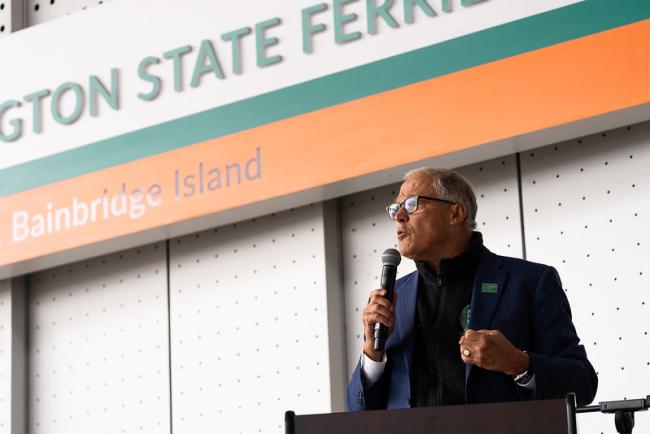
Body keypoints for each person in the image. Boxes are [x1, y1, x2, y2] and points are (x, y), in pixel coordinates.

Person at [347, 168, 597, 410]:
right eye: (395, 209)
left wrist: (519, 364)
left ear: (456, 214)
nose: (399, 216)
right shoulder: (393, 298)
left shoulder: (530, 282)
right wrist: (372, 351)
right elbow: (357, 409)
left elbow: (583, 383)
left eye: (412, 204)